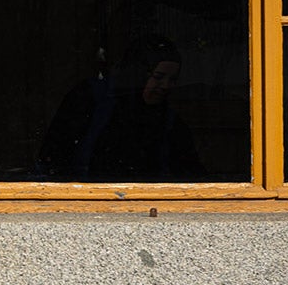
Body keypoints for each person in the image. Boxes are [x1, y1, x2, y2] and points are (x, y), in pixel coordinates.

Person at [36, 35, 205, 181]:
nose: (165, 86)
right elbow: (55, 160)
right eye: (158, 77)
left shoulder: (170, 122)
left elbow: (190, 175)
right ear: (138, 72)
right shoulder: (92, 100)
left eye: (172, 80)